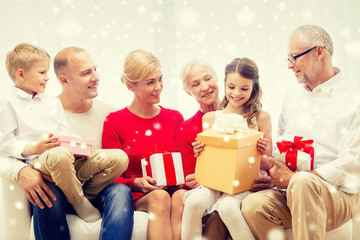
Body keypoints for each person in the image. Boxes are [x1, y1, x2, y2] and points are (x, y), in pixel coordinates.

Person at [241, 24, 360, 240]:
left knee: (303, 183)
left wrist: (297, 178)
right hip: (291, 191)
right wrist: (275, 175)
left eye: (294, 58)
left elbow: (353, 161)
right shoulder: (291, 97)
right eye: (288, 59)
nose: (290, 66)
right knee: (253, 205)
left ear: (319, 52)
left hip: (337, 195)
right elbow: (281, 147)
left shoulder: (354, 98)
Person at [0, 43, 128, 239]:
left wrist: (78, 143)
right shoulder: (7, 103)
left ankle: (81, 193)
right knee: (58, 157)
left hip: (68, 163)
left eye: (95, 70)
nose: (47, 77)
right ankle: (79, 201)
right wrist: (33, 150)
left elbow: (63, 132)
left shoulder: (52, 103)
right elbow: (4, 145)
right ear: (21, 74)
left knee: (119, 157)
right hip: (41, 163)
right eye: (42, 72)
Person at [181, 57, 273, 240]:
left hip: (245, 182)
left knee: (227, 208)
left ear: (254, 87)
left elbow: (268, 163)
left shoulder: (261, 118)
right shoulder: (210, 119)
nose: (237, 93)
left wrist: (258, 151)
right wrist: (200, 152)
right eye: (231, 87)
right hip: (216, 181)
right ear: (224, 84)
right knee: (193, 201)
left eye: (244, 89)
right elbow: (208, 160)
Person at [102, 49, 184, 240]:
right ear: (130, 85)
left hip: (174, 190)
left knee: (180, 196)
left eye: (160, 79)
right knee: (160, 197)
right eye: (150, 82)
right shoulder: (114, 122)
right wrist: (136, 183)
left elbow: (185, 162)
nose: (159, 87)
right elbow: (110, 177)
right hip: (140, 195)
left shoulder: (175, 118)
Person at [52, 47, 133, 240]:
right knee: (49, 193)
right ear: (64, 80)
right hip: (60, 189)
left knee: (120, 191)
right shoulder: (46, 112)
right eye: (86, 73)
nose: (96, 77)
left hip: (97, 190)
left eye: (95, 69)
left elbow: (118, 168)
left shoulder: (109, 114)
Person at [176, 58, 229, 240]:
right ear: (188, 92)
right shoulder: (185, 128)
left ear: (217, 79)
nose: (205, 87)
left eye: (208, 79)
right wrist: (192, 179)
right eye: (196, 84)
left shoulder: (240, 113)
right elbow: (189, 175)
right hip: (208, 190)